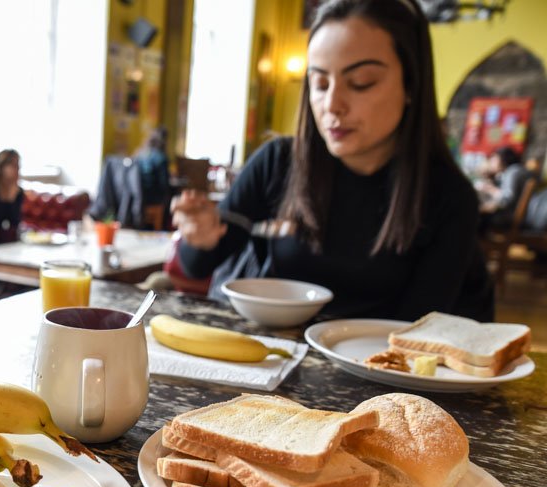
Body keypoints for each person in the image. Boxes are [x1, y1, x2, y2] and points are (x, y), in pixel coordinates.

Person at [173, 0, 493, 322]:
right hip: (267, 355)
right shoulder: (279, 162)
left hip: (375, 364)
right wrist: (198, 236)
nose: (332, 104)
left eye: (361, 82)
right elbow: (196, 265)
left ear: (411, 84)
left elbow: (418, 330)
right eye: (320, 83)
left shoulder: (449, 197)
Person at [476, 146, 534, 228]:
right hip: (521, 217)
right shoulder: (514, 171)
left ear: (503, 158)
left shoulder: (513, 171)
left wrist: (491, 190)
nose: (491, 162)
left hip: (514, 219)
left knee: (476, 217)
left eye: (494, 158)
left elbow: (506, 200)